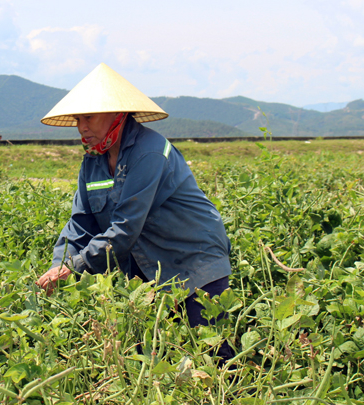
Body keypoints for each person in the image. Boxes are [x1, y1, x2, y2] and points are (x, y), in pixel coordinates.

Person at [35, 63, 233, 359]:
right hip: (147, 267)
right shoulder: (92, 162)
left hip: (194, 260)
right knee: (155, 358)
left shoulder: (150, 150)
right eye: (77, 118)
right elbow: (80, 223)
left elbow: (125, 230)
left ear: (118, 114)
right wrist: (58, 264)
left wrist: (74, 267)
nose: (81, 127)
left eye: (88, 117)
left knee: (213, 355)